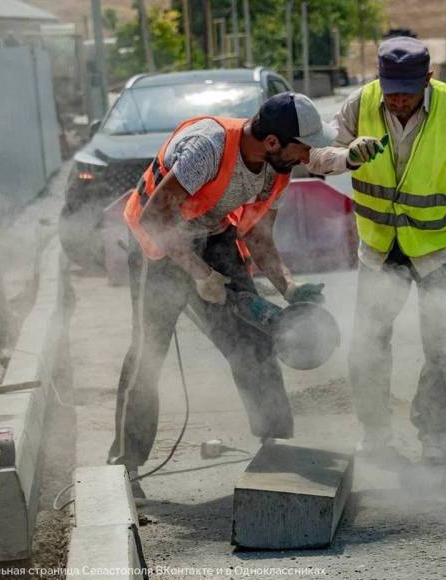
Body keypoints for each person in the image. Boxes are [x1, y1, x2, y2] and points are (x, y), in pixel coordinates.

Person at [108, 93, 337, 502]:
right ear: (272, 142)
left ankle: (275, 445)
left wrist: (288, 285)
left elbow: (258, 233)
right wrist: (200, 275)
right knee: (148, 351)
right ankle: (125, 465)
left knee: (253, 340)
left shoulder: (275, 169)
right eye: (302, 146)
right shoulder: (208, 149)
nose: (307, 156)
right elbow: (156, 218)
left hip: (213, 235)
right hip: (156, 244)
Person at [307, 37, 446, 463]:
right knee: (369, 342)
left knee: (442, 346)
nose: (397, 100)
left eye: (407, 92)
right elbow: (315, 158)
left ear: (428, 80)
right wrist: (348, 156)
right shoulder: (360, 103)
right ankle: (376, 434)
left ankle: (435, 438)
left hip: (441, 247)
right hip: (381, 248)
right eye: (390, 89)